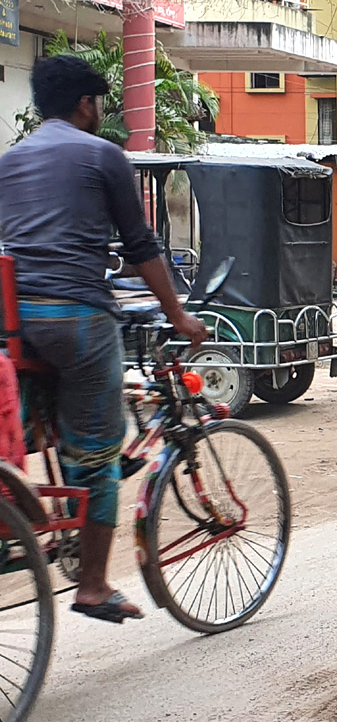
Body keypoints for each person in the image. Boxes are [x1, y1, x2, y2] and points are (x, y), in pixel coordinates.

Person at [0, 55, 208, 623]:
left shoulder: (9, 161)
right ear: (86, 104)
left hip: (15, 324)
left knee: (49, 432)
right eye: (100, 104)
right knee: (98, 453)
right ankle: (93, 584)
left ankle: (41, 517)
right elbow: (140, 247)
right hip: (77, 319)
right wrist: (180, 315)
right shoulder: (103, 156)